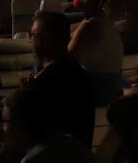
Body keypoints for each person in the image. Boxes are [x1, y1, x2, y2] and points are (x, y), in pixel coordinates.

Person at [27, 10, 96, 147]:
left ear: (45, 40)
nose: (30, 40)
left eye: (33, 35)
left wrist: (25, 96)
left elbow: (31, 133)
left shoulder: (47, 82)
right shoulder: (75, 69)